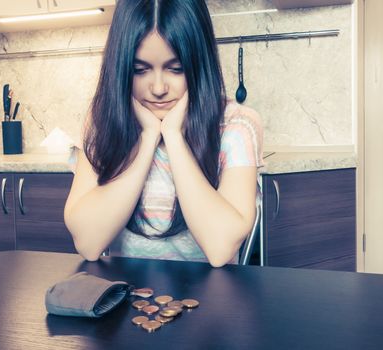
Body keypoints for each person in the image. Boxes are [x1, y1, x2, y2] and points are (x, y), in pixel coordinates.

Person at [64, 0, 263, 267]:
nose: (158, 87)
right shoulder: (102, 122)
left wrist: (173, 136)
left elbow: (220, 249)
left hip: (211, 302)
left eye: (176, 68)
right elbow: (88, 243)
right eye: (140, 70)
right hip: (127, 301)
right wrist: (148, 138)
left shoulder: (237, 126)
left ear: (198, 64)